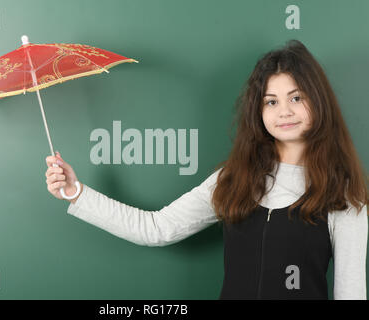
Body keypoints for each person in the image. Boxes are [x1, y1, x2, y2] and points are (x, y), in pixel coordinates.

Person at [44, 39, 368, 300]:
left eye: (296, 98)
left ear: (318, 102)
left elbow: (350, 292)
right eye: (271, 101)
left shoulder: (344, 195)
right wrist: (75, 192)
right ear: (259, 111)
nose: (284, 111)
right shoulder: (233, 179)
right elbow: (156, 228)